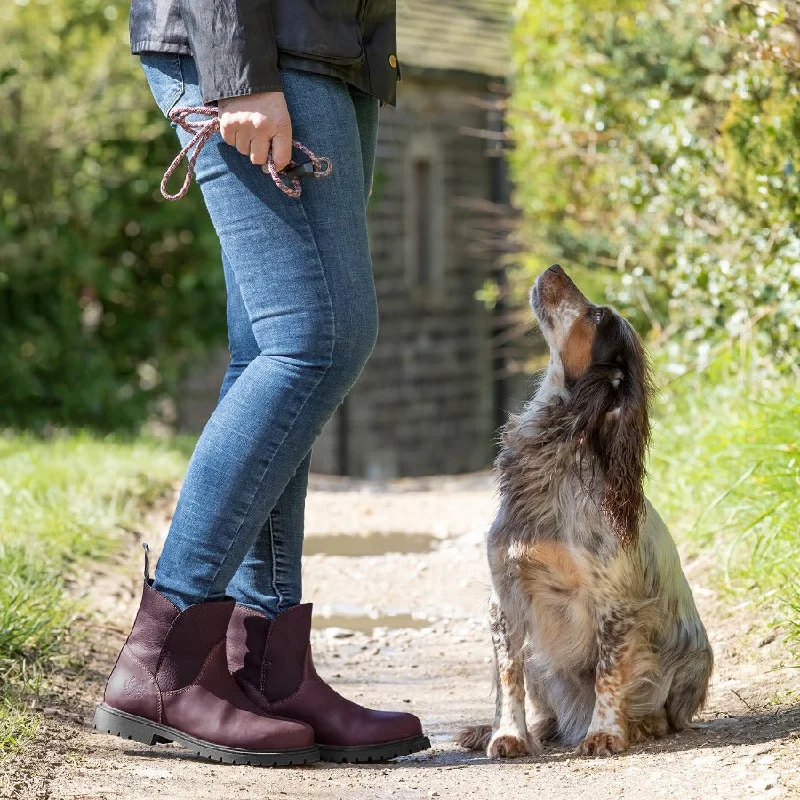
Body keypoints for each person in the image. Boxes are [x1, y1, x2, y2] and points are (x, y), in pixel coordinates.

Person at [93, 0, 430, 766]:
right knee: (317, 339)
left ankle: (268, 672)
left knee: (274, 348)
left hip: (331, 46)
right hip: (261, 45)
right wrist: (238, 72)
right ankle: (163, 659)